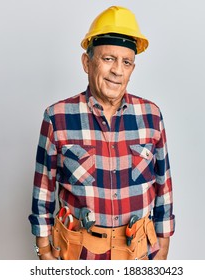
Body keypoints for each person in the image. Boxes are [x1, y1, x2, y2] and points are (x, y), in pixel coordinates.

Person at [29, 6, 175, 260]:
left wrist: (162, 248)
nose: (118, 70)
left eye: (126, 62)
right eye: (108, 59)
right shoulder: (57, 117)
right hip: (79, 253)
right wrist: (43, 249)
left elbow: (163, 186)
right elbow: (43, 190)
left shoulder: (151, 116)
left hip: (138, 251)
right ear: (87, 62)